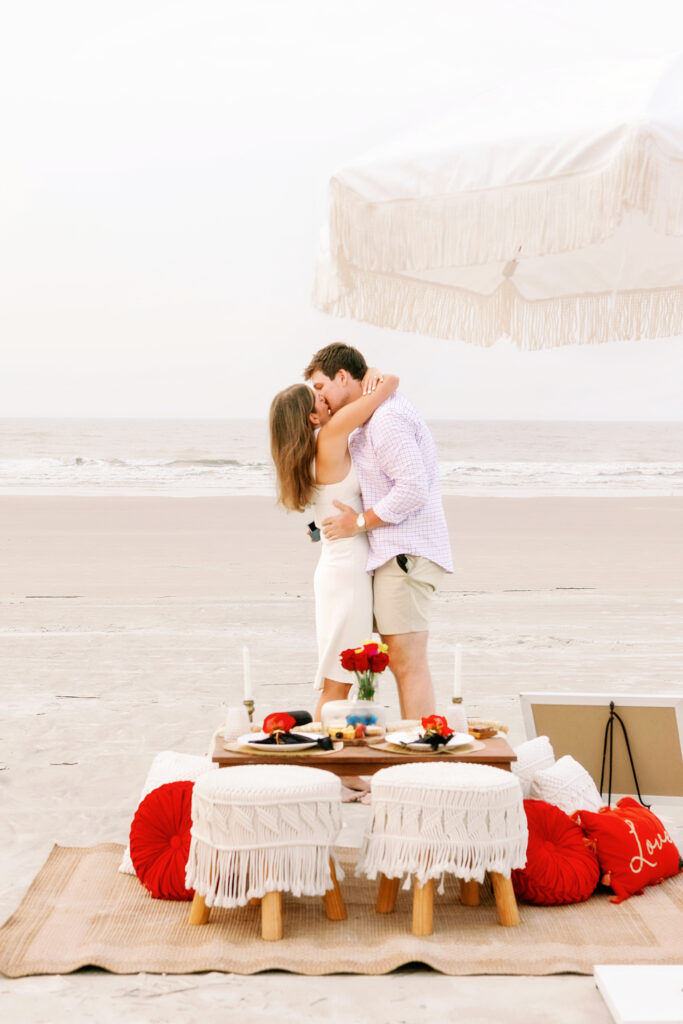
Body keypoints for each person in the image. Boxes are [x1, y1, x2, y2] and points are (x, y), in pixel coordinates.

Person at [304, 343, 453, 720]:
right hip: (388, 556)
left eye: (321, 388)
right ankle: (406, 747)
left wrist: (357, 523)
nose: (320, 398)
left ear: (343, 377)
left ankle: (418, 754)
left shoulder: (385, 420)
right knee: (387, 664)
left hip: (405, 554)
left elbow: (412, 489)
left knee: (406, 663)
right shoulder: (365, 420)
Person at [269, 363, 399, 720]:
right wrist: (370, 372)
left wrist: (323, 531)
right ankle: (325, 756)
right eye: (318, 397)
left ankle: (340, 750)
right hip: (347, 574)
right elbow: (390, 384)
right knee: (340, 682)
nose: (325, 398)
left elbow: (313, 526)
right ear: (312, 417)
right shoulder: (330, 436)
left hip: (335, 568)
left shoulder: (307, 456)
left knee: (346, 678)